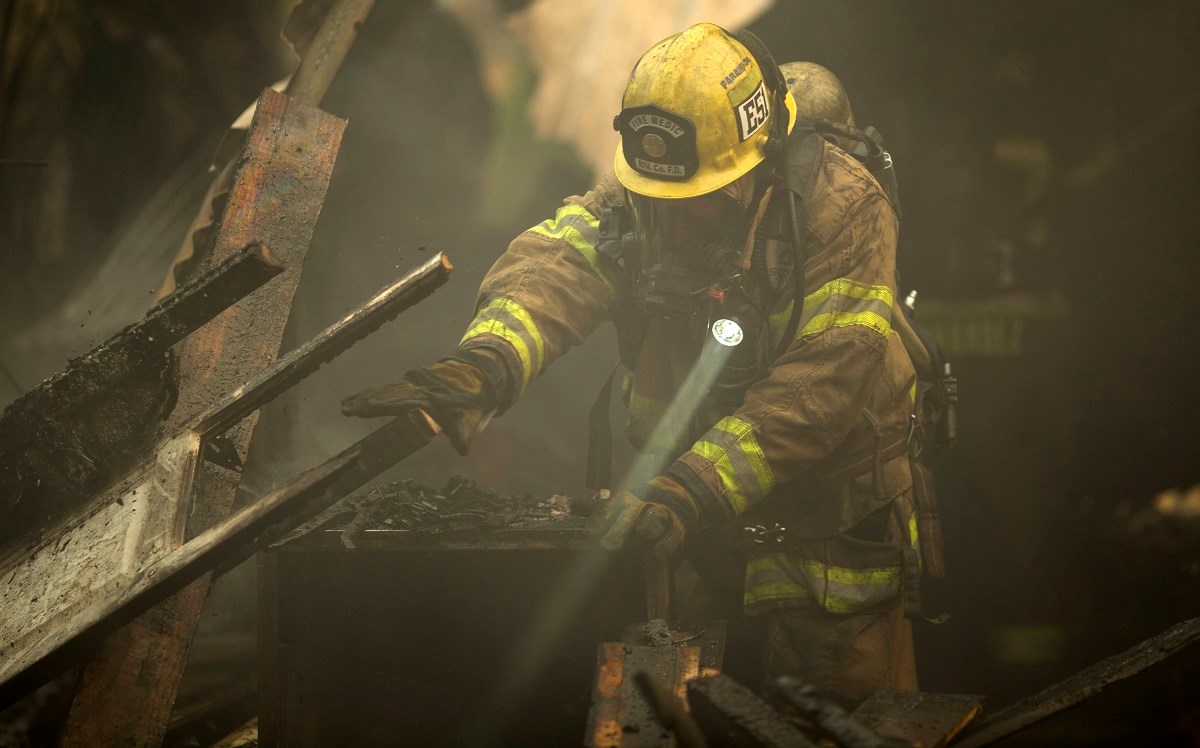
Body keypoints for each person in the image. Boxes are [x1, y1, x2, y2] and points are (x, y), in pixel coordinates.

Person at [343, 23, 927, 707]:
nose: (674, 224)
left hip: (826, 543)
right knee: (690, 712)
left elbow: (821, 388)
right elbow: (559, 261)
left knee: (843, 720)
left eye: (699, 201)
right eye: (660, 198)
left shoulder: (845, 209)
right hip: (694, 529)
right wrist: (489, 363)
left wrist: (687, 490)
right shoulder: (654, 190)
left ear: (759, 162)